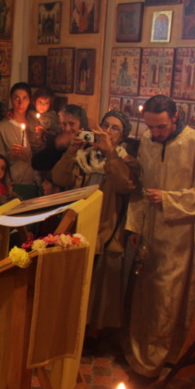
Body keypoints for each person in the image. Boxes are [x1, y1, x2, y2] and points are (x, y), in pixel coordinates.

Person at [124, 94, 195, 383]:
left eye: (161, 127)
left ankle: (162, 359)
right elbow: (141, 190)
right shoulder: (149, 144)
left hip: (179, 235)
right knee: (148, 297)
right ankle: (140, 355)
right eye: (151, 127)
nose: (155, 133)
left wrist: (169, 199)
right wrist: (135, 226)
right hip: (150, 233)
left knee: (169, 298)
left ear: (176, 117)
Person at [51, 111, 140, 343]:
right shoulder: (83, 156)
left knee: (97, 285)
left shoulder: (125, 161)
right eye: (105, 125)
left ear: (122, 137)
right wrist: (71, 151)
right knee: (73, 281)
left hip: (106, 228)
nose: (108, 132)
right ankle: (68, 326)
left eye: (115, 129)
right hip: (76, 223)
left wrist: (110, 153)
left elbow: (124, 185)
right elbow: (60, 179)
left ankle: (91, 333)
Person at [0, 82, 37, 187]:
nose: (20, 103)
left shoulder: (36, 124)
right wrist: (11, 154)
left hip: (36, 181)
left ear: (30, 100)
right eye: (16, 98)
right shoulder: (1, 127)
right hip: (15, 181)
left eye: (25, 98)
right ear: (11, 99)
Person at [32, 104, 88, 173]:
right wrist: (57, 146)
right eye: (63, 124)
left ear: (81, 124)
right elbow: (36, 164)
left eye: (72, 124)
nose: (67, 129)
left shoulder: (88, 142)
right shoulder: (57, 139)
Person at [28, 87, 61, 153]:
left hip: (45, 150)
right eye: (40, 102)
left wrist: (45, 132)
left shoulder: (52, 117)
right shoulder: (30, 114)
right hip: (29, 148)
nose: (42, 105)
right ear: (34, 102)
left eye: (46, 103)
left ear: (50, 104)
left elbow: (57, 133)